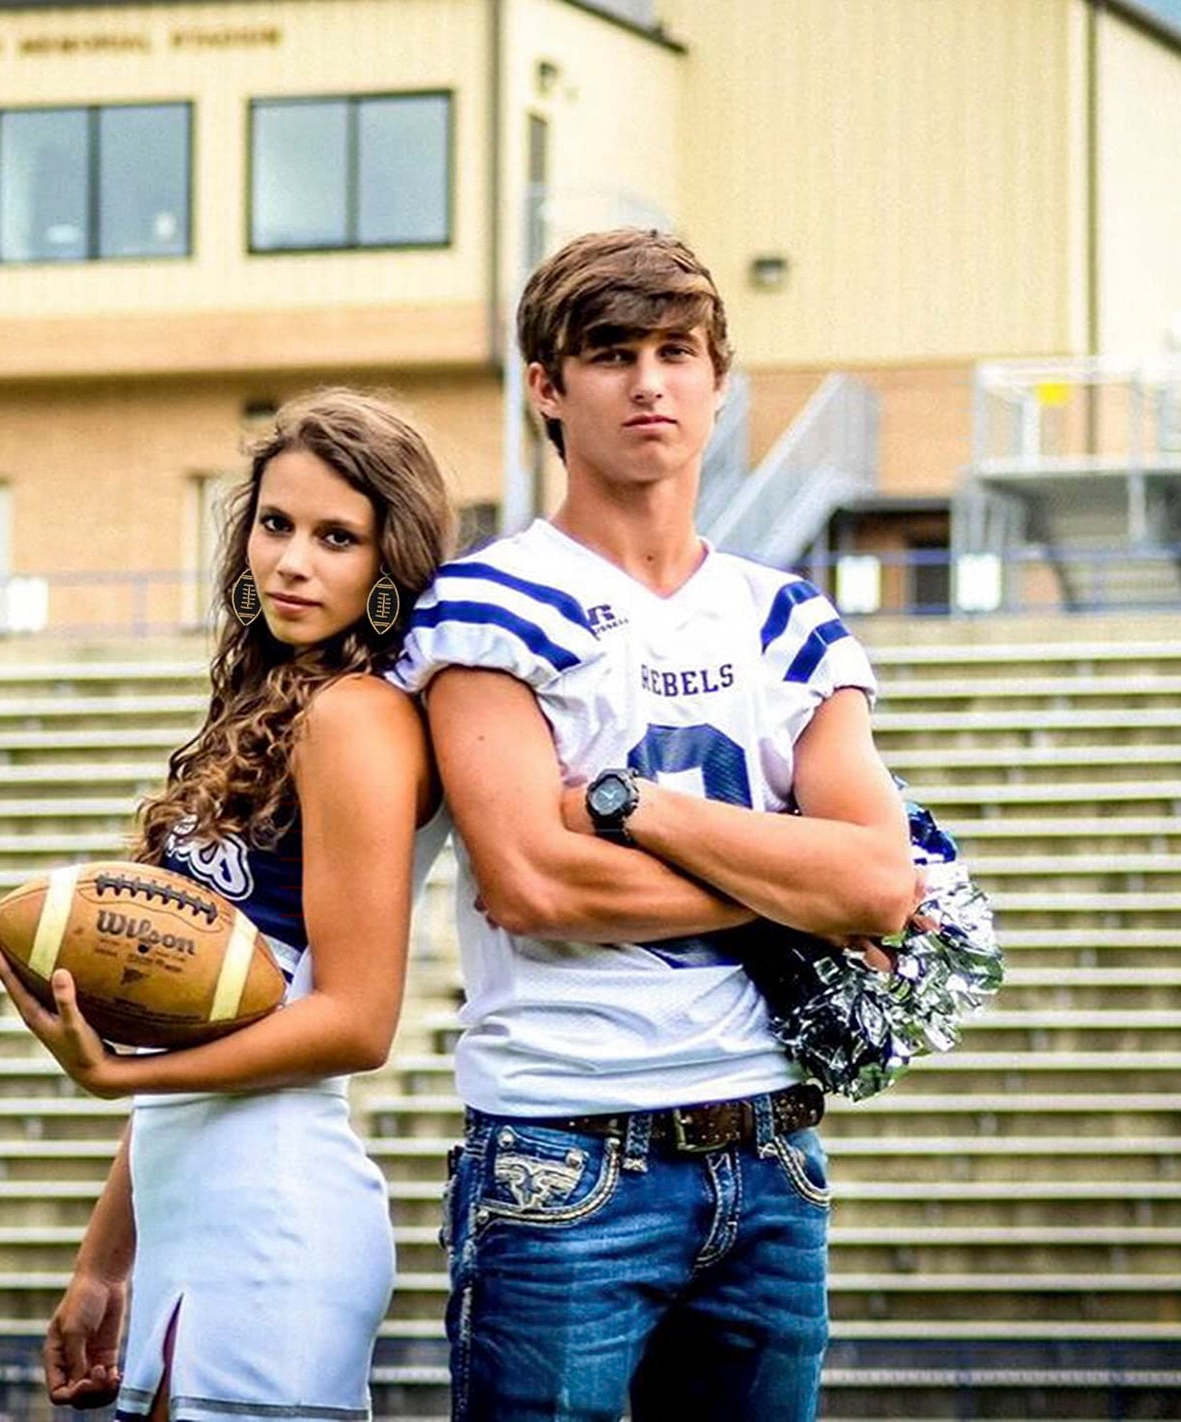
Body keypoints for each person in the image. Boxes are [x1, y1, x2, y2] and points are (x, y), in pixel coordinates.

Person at [392, 229, 917, 1422]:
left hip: (774, 1154)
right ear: (545, 387)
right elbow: (535, 883)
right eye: (609, 353)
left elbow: (882, 884)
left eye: (676, 352)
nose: (647, 383)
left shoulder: (785, 616)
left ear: (717, 384)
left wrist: (640, 811)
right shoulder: (489, 601)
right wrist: (796, 879)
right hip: (564, 1151)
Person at [0, 388, 455, 1422]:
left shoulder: (356, 717)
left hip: (274, 1217)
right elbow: (191, 1026)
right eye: (274, 523)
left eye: (338, 537)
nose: (291, 561)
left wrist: (111, 1075)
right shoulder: (263, 705)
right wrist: (106, 1261)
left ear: (388, 567)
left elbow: (356, 1021)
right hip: (188, 1208)